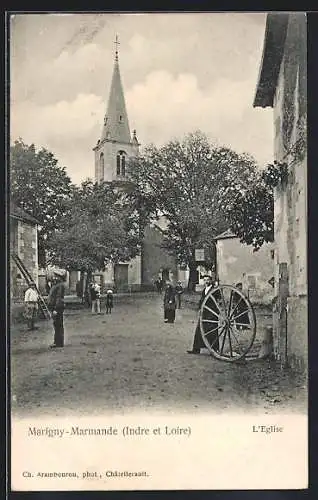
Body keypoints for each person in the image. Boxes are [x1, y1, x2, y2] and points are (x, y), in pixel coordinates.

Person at [187, 275, 220, 354]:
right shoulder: (204, 290)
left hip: (212, 313)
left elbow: (218, 299)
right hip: (204, 313)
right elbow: (202, 301)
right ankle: (196, 349)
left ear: (211, 281)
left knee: (212, 331)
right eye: (205, 280)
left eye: (208, 280)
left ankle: (214, 350)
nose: (206, 282)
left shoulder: (214, 290)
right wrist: (199, 309)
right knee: (199, 330)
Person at [47, 270, 66, 348]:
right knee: (56, 325)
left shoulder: (60, 285)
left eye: (56, 276)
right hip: (54, 307)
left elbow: (59, 298)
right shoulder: (56, 285)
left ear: (59, 277)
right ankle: (57, 342)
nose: (54, 277)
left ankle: (58, 342)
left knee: (58, 325)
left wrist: (56, 309)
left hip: (57, 308)